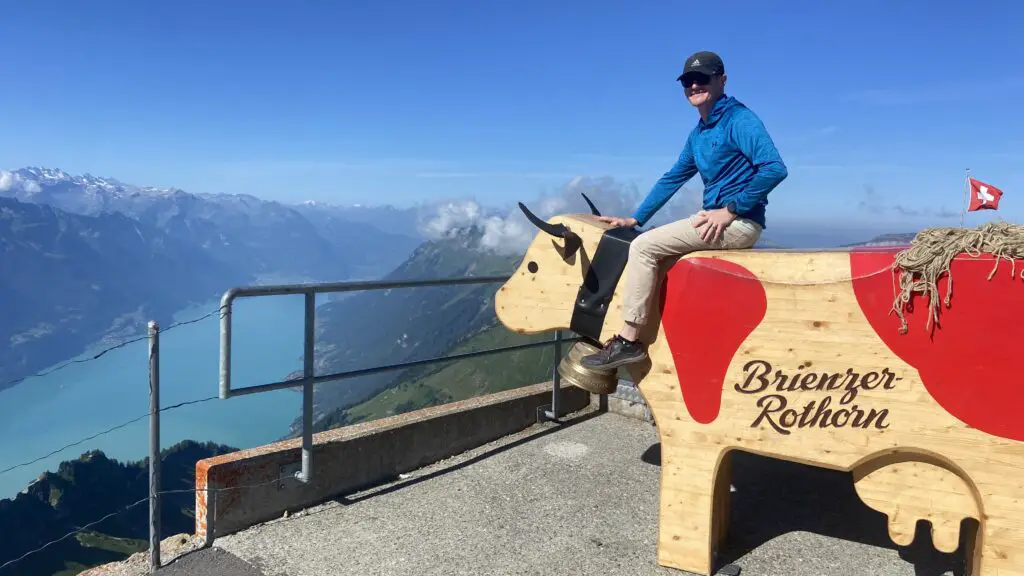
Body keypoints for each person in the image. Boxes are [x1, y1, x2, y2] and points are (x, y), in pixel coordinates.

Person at [581, 50, 788, 370]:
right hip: (719, 220)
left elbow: (774, 168)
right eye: (688, 81)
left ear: (722, 80)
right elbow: (674, 177)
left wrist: (731, 210)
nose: (694, 86)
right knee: (650, 239)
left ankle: (628, 341)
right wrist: (636, 218)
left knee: (644, 247)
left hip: (736, 222)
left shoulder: (739, 120)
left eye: (702, 79)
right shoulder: (699, 134)